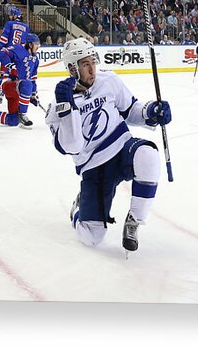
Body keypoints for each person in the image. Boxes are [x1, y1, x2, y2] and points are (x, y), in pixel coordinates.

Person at [45, 37, 171, 253]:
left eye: (93, 61)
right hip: (94, 169)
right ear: (72, 68)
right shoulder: (57, 109)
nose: (92, 69)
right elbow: (74, 146)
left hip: (121, 148)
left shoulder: (109, 81)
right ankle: (78, 210)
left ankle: (134, 221)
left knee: (148, 155)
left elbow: (131, 110)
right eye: (85, 64)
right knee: (92, 237)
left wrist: (150, 112)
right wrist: (67, 108)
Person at [0, 33, 40, 129]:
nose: (38, 46)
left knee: (13, 121)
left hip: (19, 91)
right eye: (36, 44)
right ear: (30, 44)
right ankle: (22, 114)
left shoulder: (35, 59)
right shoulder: (18, 49)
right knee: (26, 84)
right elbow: (1, 53)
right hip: (9, 85)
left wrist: (33, 95)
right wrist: (10, 65)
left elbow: (33, 78)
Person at [0, 6, 30, 103]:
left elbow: (4, 39)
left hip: (8, 53)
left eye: (11, 14)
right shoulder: (26, 27)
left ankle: (0, 95)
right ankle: (17, 94)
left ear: (15, 16)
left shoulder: (9, 24)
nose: (10, 16)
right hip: (19, 54)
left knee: (4, 74)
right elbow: (24, 43)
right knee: (16, 75)